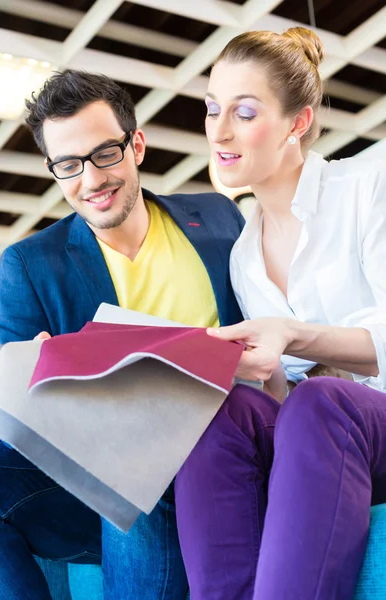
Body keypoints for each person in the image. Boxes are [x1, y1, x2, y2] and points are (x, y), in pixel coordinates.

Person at [0, 69, 246, 600]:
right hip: (102, 480)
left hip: (221, 451)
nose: (91, 179)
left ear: (138, 145)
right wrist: (26, 369)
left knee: (140, 462)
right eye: (69, 165)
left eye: (105, 153)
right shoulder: (31, 265)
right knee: (123, 463)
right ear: (53, 171)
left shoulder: (218, 219)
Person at [173, 27, 386, 600]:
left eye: (244, 112)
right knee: (223, 409)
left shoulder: (369, 182)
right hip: (331, 433)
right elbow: (286, 406)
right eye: (213, 108)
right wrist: (253, 369)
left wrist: (293, 334)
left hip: (373, 420)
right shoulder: (244, 254)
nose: (218, 131)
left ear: (297, 122)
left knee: (324, 401)